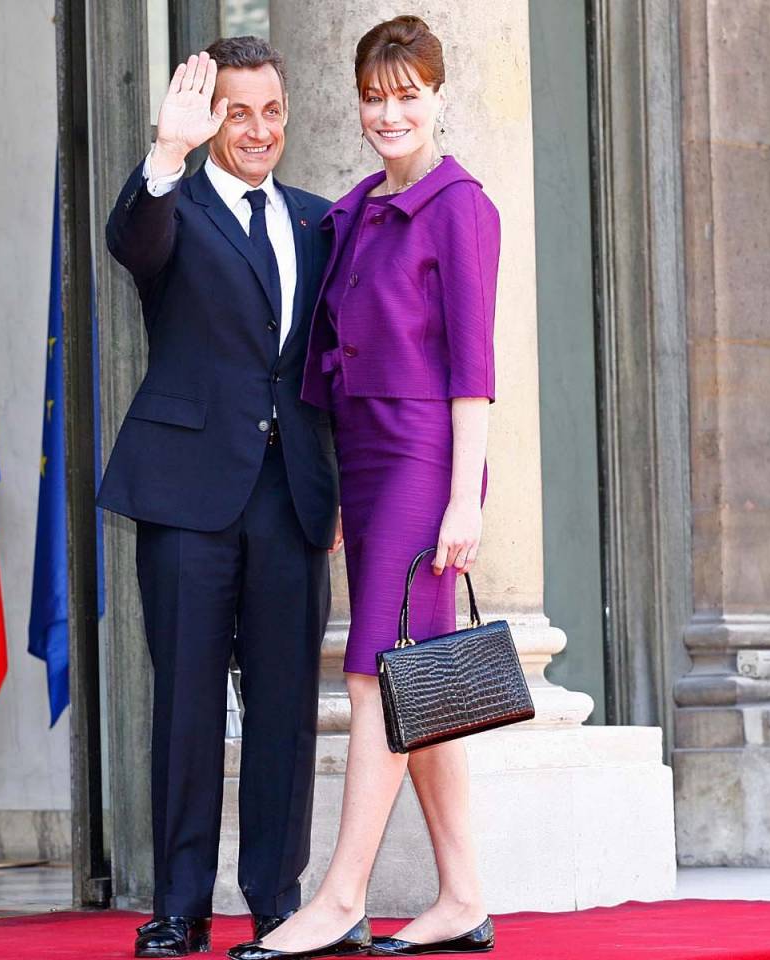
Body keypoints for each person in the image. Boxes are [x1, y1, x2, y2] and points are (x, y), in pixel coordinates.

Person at [227, 16, 498, 960]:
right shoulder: (353, 211)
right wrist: (337, 486)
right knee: (419, 676)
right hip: (369, 466)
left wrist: (465, 499)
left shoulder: (461, 207)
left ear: (438, 96)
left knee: (377, 669)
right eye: (374, 97)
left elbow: (474, 373)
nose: (390, 113)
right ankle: (463, 895)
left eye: (407, 95)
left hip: (428, 464)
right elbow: (332, 361)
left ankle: (342, 895)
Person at [100, 36, 340, 960]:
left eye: (271, 111)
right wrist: (166, 152)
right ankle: (180, 907)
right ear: (209, 123)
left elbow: (331, 368)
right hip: (187, 497)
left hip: (291, 499)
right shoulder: (173, 207)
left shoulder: (320, 223)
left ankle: (278, 903)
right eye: (238, 112)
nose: (258, 130)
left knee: (284, 706)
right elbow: (133, 242)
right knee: (188, 703)